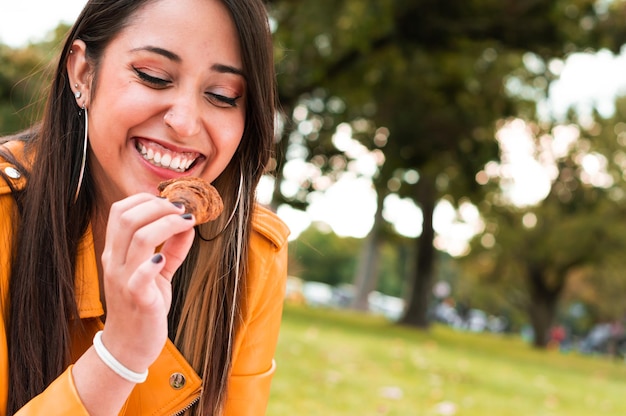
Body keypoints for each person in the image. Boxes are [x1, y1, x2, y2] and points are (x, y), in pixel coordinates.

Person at [0, 0, 289, 414]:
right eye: (153, 77)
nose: (185, 122)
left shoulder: (252, 254)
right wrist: (119, 355)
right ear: (83, 72)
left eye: (223, 96)